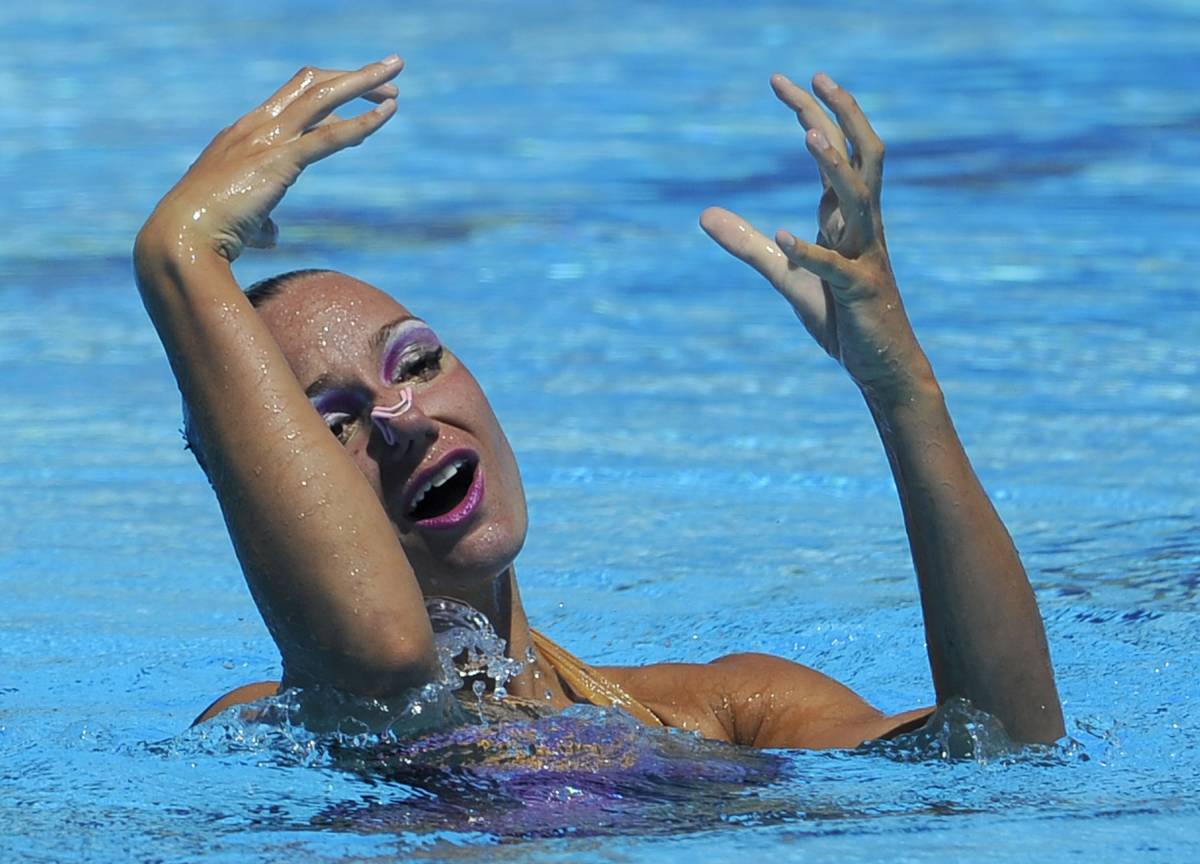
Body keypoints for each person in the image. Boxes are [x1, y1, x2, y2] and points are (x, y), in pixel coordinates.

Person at [133, 56, 1064, 749]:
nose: (403, 420)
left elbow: (1000, 748)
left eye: (417, 363)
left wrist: (902, 390)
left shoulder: (716, 710)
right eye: (332, 425)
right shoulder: (277, 725)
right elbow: (383, 664)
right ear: (265, 486)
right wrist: (180, 255)